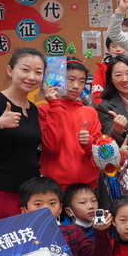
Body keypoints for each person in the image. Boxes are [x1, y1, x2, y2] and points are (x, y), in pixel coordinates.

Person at [0, 48, 45, 225]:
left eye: (38, 72)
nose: (31, 77)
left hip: (28, 193)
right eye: (25, 70)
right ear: (10, 70)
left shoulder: (33, 109)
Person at [19, 176, 112, 256]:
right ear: (24, 210)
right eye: (38, 204)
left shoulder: (72, 233)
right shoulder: (17, 239)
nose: (46, 209)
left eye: (52, 203)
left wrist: (101, 232)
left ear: (60, 208)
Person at [39, 59, 101, 189]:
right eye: (71, 80)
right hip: (55, 187)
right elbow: (52, 146)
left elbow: (99, 153)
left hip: (87, 186)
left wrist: (88, 142)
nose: (76, 86)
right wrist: (55, 105)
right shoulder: (44, 110)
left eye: (82, 81)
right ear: (58, 79)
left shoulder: (90, 112)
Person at [60, 183, 102, 256]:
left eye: (94, 201)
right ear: (69, 211)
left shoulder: (102, 228)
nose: (91, 206)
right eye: (83, 202)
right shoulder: (61, 232)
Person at [92, 37, 128, 105]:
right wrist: (104, 108)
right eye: (114, 46)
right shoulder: (101, 68)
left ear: (126, 48)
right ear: (108, 49)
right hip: (108, 106)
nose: (118, 49)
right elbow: (96, 92)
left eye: (121, 45)